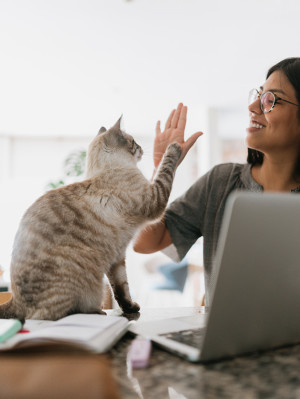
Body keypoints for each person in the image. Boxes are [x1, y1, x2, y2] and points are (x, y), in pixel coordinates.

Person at [134, 57, 300, 305]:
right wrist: (162, 169)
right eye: (258, 95)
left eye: (269, 100)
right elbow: (145, 242)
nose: (253, 106)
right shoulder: (220, 183)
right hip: (224, 343)